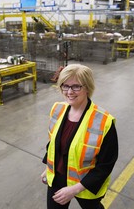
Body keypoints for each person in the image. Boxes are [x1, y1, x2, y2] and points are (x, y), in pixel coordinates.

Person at [41, 64, 118, 209]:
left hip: (86, 183)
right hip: (57, 176)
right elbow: (53, 143)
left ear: (87, 88)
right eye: (65, 86)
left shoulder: (103, 121)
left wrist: (75, 189)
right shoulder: (58, 109)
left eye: (76, 86)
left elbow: (105, 165)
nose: (69, 92)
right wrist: (48, 168)